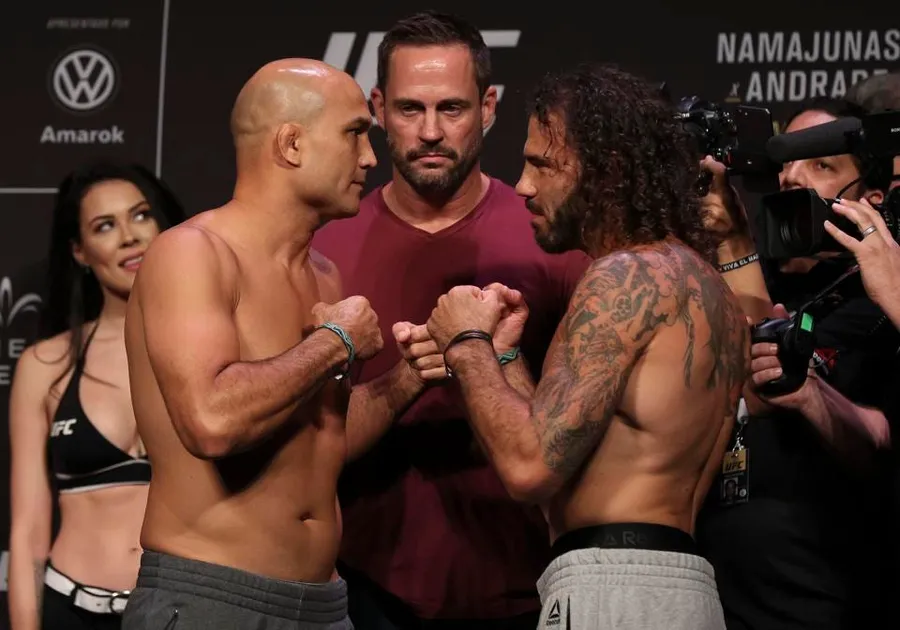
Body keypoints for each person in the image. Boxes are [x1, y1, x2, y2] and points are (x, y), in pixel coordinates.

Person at [119, 58, 448, 630]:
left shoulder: (324, 275)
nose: (370, 158)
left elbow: (321, 439)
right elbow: (211, 422)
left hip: (324, 605)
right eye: (354, 134)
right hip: (214, 599)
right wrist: (335, 342)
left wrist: (406, 378)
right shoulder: (192, 253)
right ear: (291, 144)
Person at [424, 64, 750, 630]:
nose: (523, 186)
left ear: (607, 170)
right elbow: (563, 461)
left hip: (614, 590)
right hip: (680, 588)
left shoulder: (621, 279)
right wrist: (505, 356)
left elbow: (527, 469)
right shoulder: (706, 284)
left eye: (543, 165)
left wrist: (467, 342)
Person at [312, 12, 590, 629]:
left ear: (488, 108)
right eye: (410, 109)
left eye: (453, 108)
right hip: (364, 591)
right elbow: (301, 441)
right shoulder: (324, 246)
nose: (431, 131)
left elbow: (587, 427)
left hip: (528, 585)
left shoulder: (554, 240)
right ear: (378, 109)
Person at [696, 97, 898, 630]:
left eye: (821, 164)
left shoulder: (879, 303)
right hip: (717, 591)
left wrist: (810, 393)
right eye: (786, 162)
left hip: (826, 592)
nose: (792, 177)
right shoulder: (741, 276)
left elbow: (878, 443)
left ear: (871, 200)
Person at [8, 160, 185, 630]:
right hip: (72, 610)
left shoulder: (216, 348)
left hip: (183, 612)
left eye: (141, 215)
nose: (129, 236)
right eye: (105, 226)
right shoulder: (46, 365)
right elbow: (28, 531)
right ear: (80, 251)